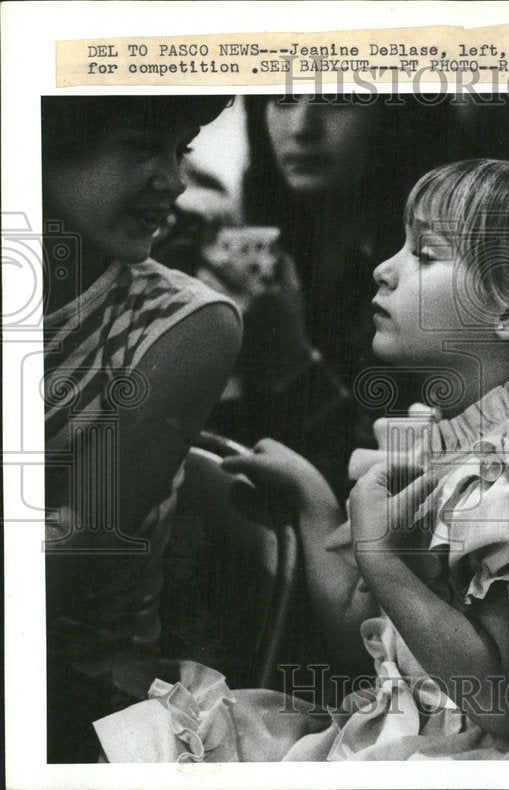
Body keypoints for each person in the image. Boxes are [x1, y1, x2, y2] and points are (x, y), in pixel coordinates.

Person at [92, 159, 509, 761]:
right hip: (394, 723)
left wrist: (379, 556)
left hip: (463, 754)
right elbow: (365, 638)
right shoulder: (446, 440)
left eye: (425, 253)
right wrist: (317, 503)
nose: (384, 269)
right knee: (145, 738)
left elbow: (505, 702)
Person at [41, 95, 241, 762]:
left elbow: (76, 546)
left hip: (79, 694)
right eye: (141, 147)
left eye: (179, 149)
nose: (174, 180)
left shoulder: (188, 323)